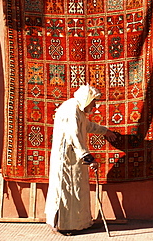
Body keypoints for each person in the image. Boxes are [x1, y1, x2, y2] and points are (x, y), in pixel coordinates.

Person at [45, 84, 117, 235]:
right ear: (87, 99)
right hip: (66, 160)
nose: (94, 105)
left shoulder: (77, 110)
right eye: (93, 102)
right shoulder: (71, 110)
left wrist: (105, 131)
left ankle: (79, 224)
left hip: (74, 159)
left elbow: (86, 126)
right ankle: (64, 226)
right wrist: (88, 157)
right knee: (66, 192)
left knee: (77, 191)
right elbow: (74, 136)